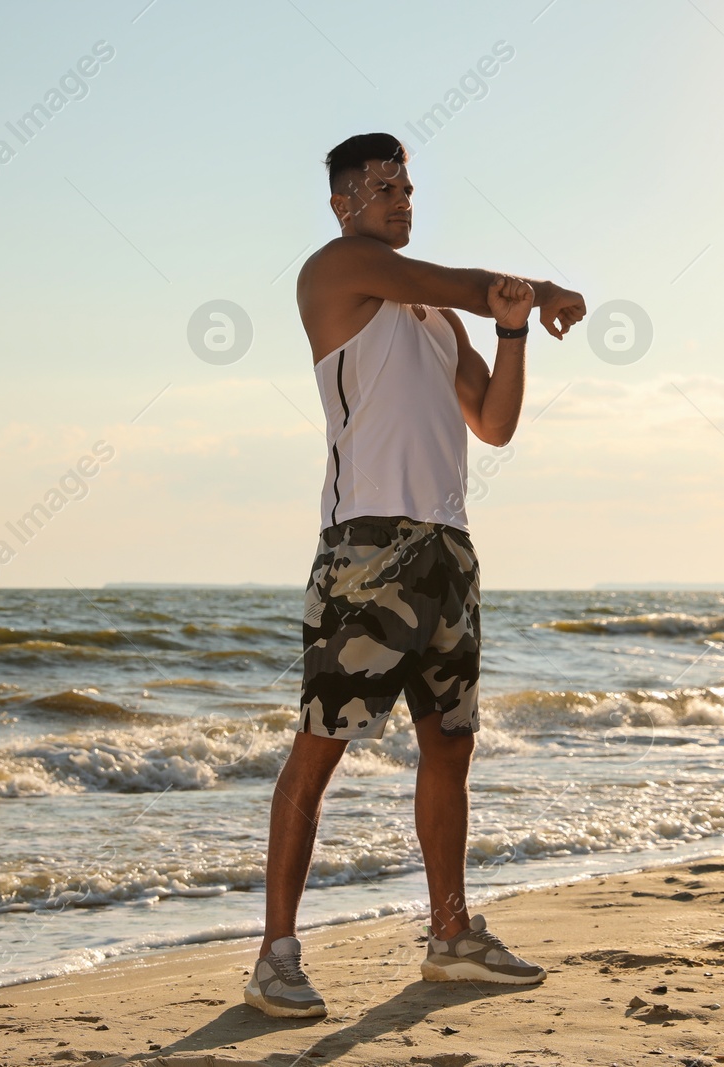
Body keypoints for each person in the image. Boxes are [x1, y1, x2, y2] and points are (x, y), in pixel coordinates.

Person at [243, 132, 587, 1018]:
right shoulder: (337, 273)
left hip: (447, 547)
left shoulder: (442, 321)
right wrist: (540, 292)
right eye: (384, 186)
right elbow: (444, 279)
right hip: (366, 549)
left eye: (407, 185)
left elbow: (495, 423)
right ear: (342, 201)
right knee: (320, 745)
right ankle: (275, 955)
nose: (401, 198)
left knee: (450, 744)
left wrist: (514, 328)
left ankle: (450, 934)